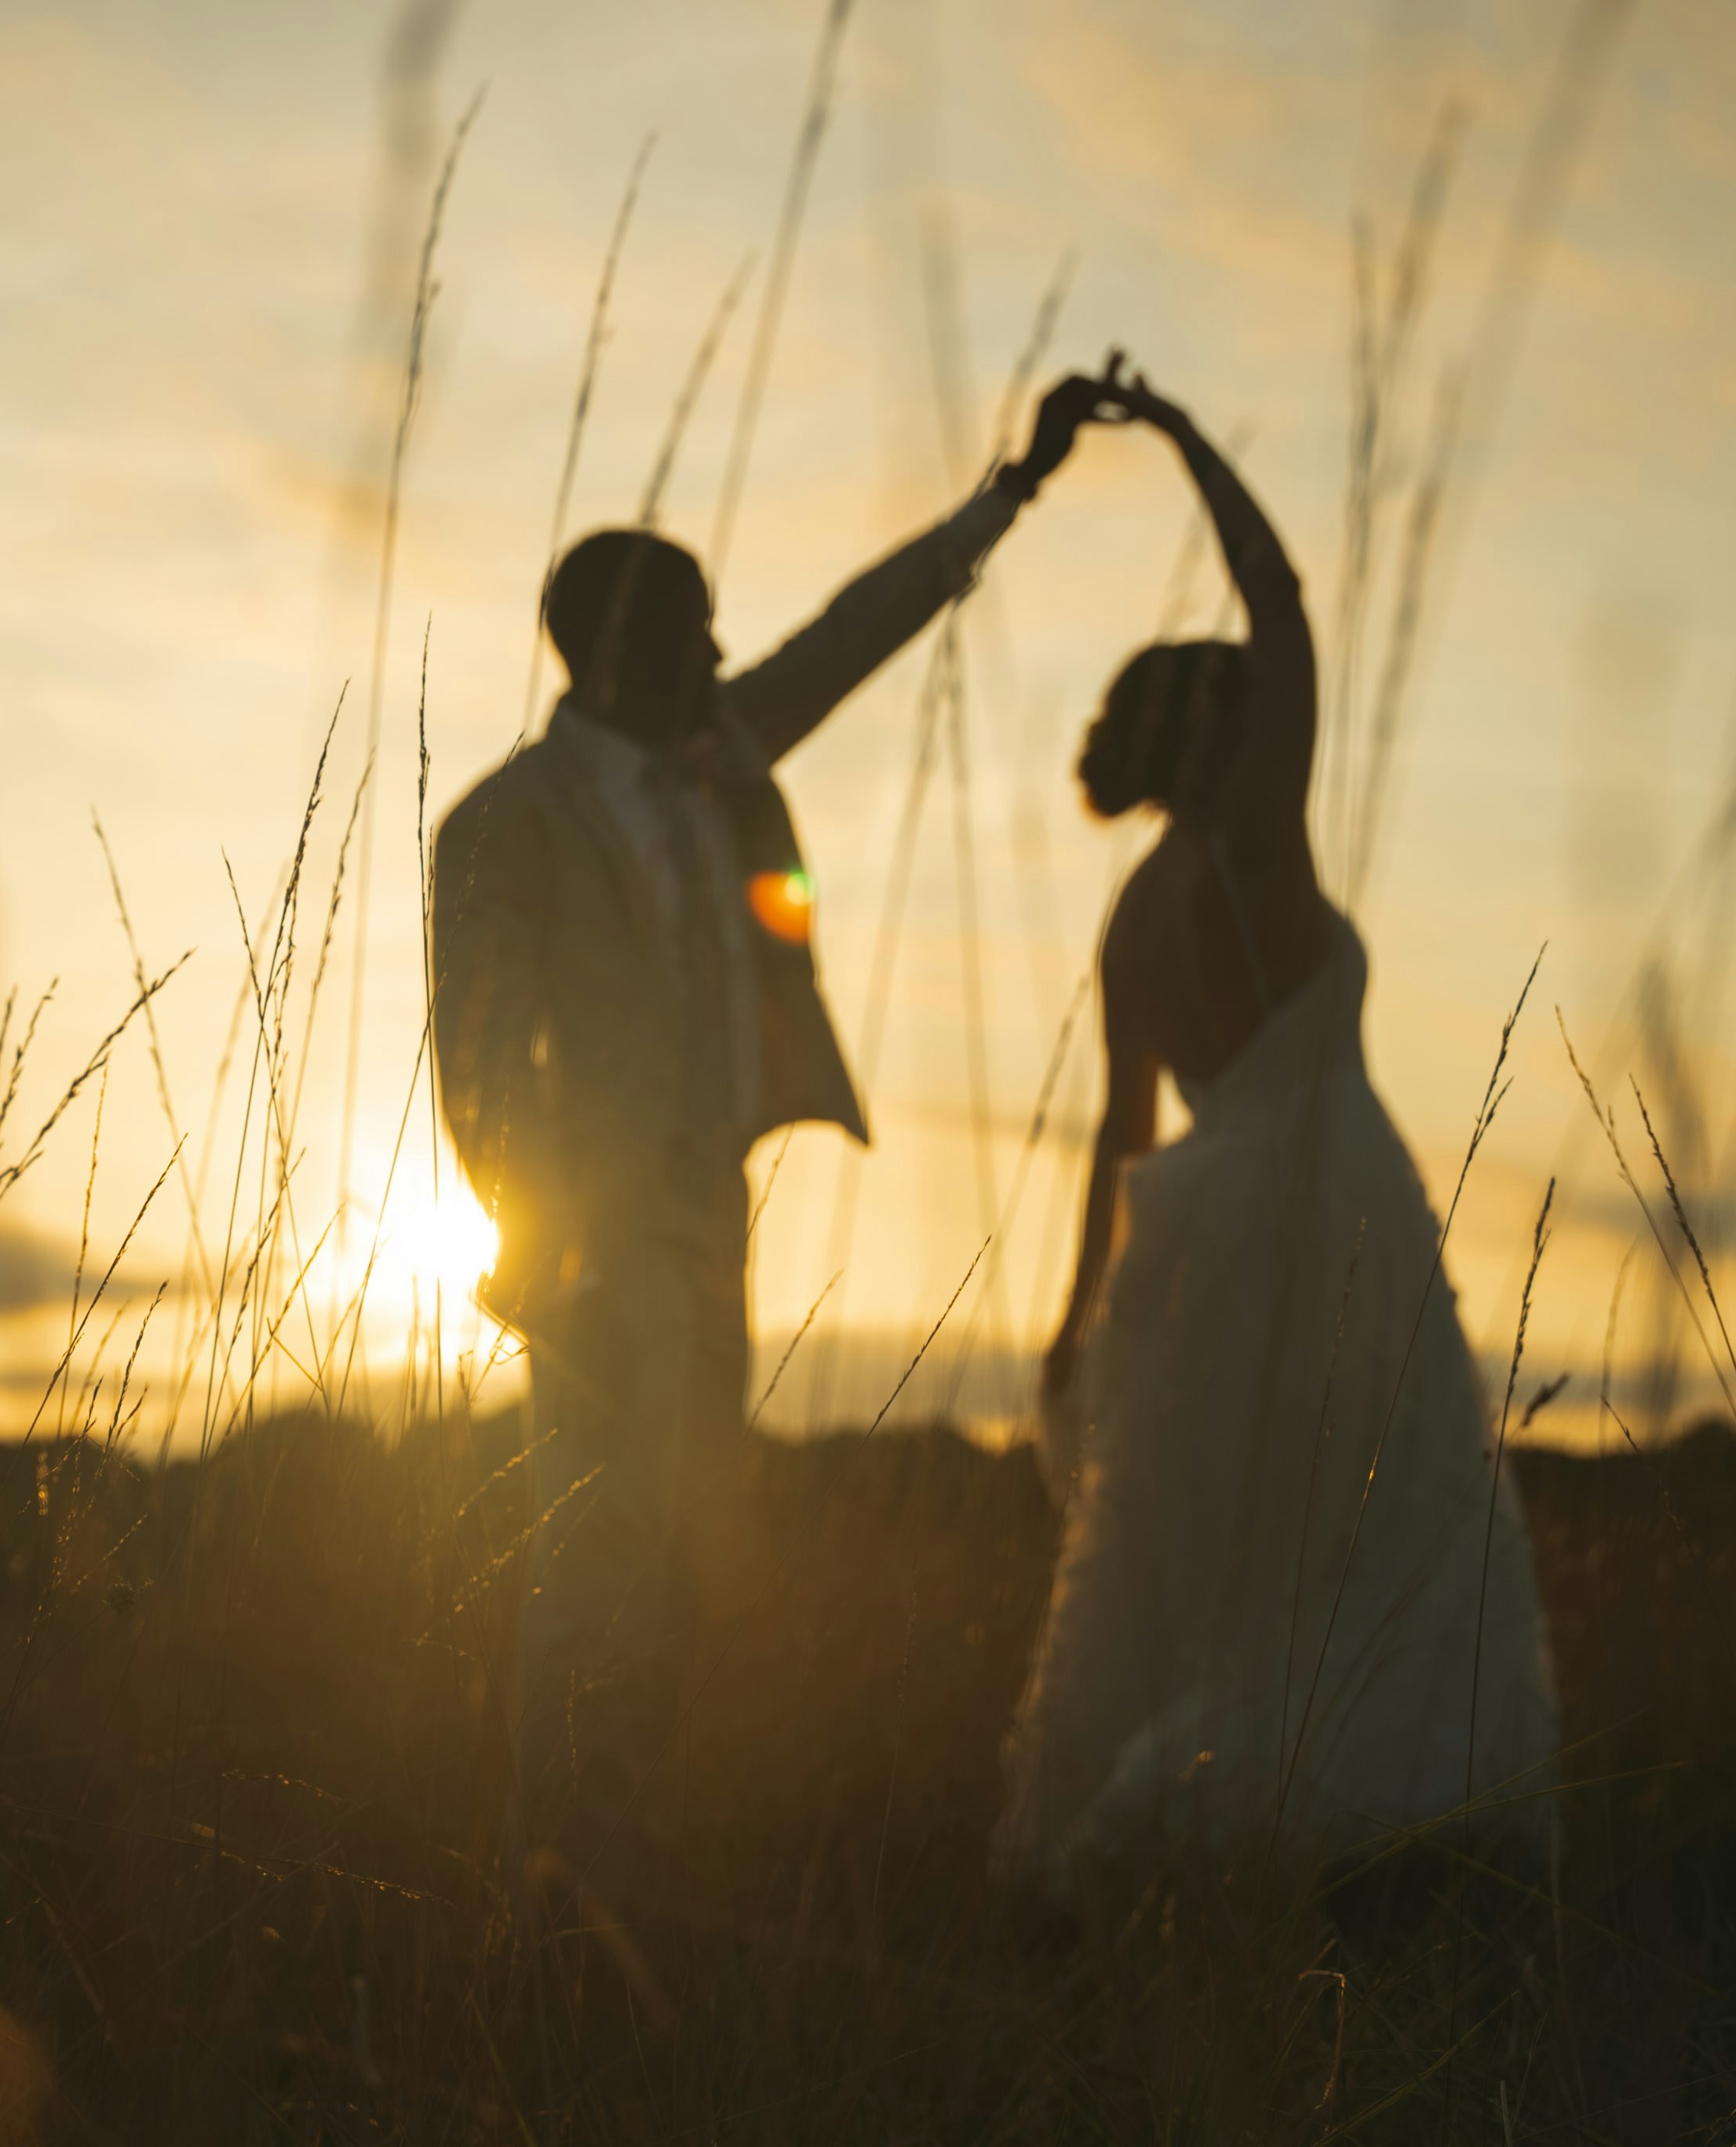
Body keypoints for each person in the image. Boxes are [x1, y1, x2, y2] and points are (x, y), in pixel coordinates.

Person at [434, 371, 1118, 1919]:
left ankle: (623, 1853)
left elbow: (854, 633)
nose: (724, 654)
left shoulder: (721, 760)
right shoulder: (503, 822)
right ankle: (537, 1888)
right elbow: (473, 1070)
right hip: (593, 1250)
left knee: (679, 1552)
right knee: (583, 1567)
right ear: (617, 646)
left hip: (707, 1217)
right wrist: (550, 1253)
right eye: (694, 629)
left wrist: (1011, 487)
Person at [993, 352, 1556, 1904]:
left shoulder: (1128, 917)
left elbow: (1115, 1138)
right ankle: (1329, 1839)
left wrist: (1069, 1326)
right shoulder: (1254, 849)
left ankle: (1177, 1846)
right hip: (1323, 1210)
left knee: (1214, 1560)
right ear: (1225, 740)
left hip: (1185, 1239)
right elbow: (1286, 598)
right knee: (1379, 1534)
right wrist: (1179, 428)